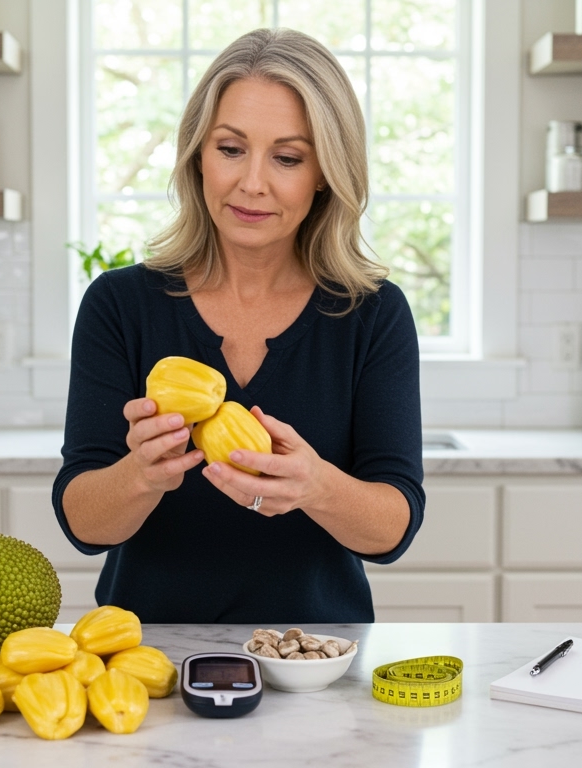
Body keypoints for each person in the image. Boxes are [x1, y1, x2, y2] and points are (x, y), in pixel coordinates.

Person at [52, 27, 424, 624]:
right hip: (146, 661)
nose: (253, 182)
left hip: (316, 659)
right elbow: (84, 525)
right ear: (198, 154)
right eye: (230, 148)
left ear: (325, 171)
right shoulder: (119, 304)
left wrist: (315, 485)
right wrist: (142, 474)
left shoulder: (372, 313)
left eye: (287, 157)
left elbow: (394, 527)